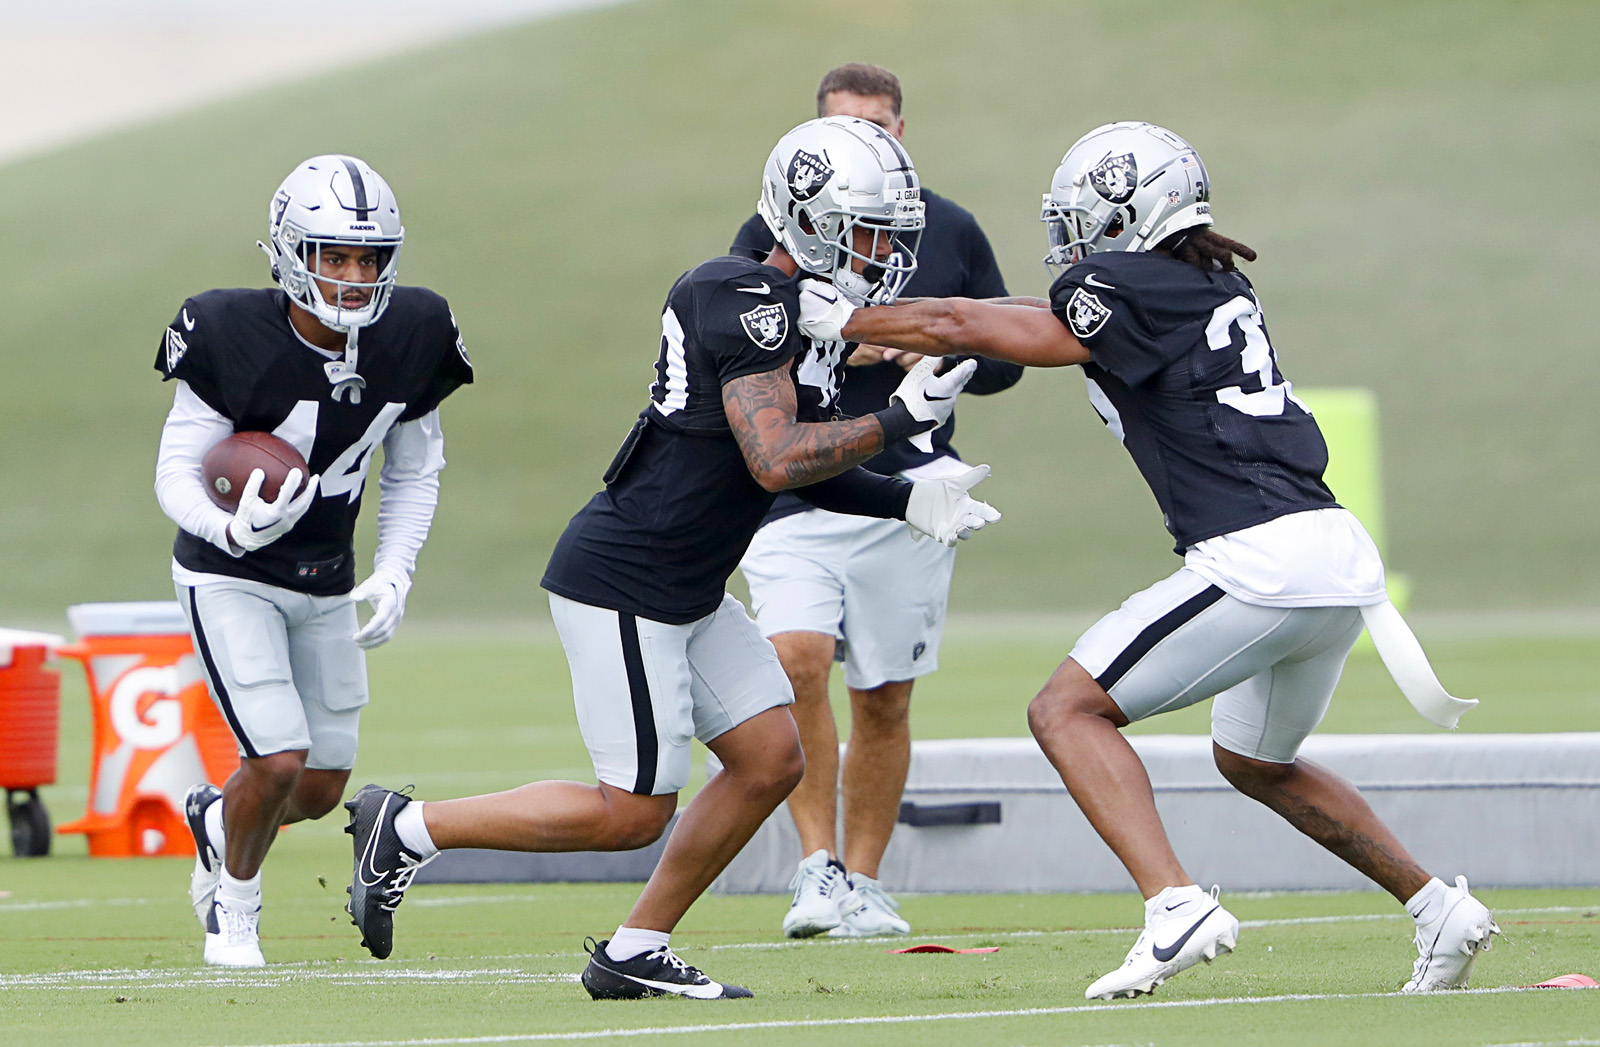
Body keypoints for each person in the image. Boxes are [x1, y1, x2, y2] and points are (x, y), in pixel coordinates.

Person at [800, 121, 1498, 999]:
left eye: (1087, 213)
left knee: (1065, 709)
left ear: (1134, 209)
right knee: (1254, 762)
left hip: (1259, 557)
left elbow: (961, 318)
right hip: (1329, 553)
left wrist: (838, 315)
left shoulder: (1122, 280)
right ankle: (1438, 907)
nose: (1074, 234)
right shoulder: (1199, 278)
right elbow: (1014, 319)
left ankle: (1174, 903)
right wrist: (942, 329)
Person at [342, 116, 1000, 1001]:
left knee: (771, 757)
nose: (885, 252)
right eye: (869, 230)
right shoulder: (734, 293)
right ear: (808, 220)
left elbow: (780, 467)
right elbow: (777, 457)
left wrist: (904, 494)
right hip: (629, 579)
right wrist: (899, 425)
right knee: (633, 811)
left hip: (687, 583)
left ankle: (637, 946)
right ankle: (410, 826)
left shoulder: (804, 317)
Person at [154, 155, 473, 967]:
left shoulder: (416, 330)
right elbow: (176, 469)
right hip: (228, 573)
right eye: (334, 256)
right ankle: (236, 904)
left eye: (368, 258)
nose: (353, 276)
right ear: (291, 253)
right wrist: (231, 531)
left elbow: (414, 465)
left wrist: (396, 566)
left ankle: (216, 819)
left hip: (325, 575)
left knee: (322, 782)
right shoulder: (227, 328)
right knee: (278, 754)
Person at [730, 62, 1023, 941]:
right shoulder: (767, 228)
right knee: (797, 659)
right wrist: (849, 348)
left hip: (911, 487)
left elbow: (1004, 357)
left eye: (882, 125)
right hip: (798, 486)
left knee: (885, 695)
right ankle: (815, 871)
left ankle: (866, 877)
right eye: (847, 125)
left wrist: (929, 354)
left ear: (903, 131)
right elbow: (739, 343)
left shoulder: (949, 226)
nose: (867, 139)